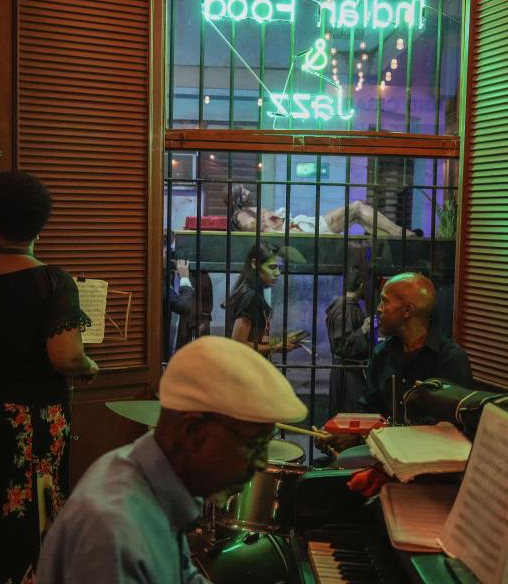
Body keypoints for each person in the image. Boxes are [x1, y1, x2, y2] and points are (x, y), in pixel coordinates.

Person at [36, 336, 307, 583]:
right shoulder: (112, 530)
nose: (260, 463)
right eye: (253, 446)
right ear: (192, 432)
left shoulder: (146, 480)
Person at [0, 171, 98, 584]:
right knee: (35, 512)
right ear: (41, 225)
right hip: (35, 415)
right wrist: (88, 367)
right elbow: (66, 357)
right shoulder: (52, 282)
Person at [318, 272, 472, 455]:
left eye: (384, 301)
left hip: (429, 465)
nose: (379, 308)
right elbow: (369, 410)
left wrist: (378, 432)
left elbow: (450, 429)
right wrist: (346, 432)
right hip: (384, 457)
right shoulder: (382, 353)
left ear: (407, 311)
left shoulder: (449, 359)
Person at [228, 183, 410, 237]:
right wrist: (271, 224)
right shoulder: (242, 215)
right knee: (357, 208)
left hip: (302, 225)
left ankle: (395, 237)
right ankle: (400, 234)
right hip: (303, 229)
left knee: (357, 218)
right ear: (237, 197)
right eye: (243, 191)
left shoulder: (248, 210)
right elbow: (256, 228)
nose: (248, 191)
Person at [225, 242, 305, 357]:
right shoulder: (250, 295)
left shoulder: (254, 291)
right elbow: (238, 343)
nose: (278, 273)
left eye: (279, 267)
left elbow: (254, 338)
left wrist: (280, 341)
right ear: (254, 264)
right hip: (245, 368)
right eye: (272, 267)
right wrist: (275, 348)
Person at [325, 270, 372, 413]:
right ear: (361, 285)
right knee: (351, 419)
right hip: (349, 374)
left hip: (344, 372)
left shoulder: (342, 306)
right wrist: (363, 330)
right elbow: (342, 347)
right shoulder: (347, 309)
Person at [163, 231, 194, 360]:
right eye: (166, 250)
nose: (170, 254)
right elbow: (183, 306)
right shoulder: (157, 282)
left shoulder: (165, 275)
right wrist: (185, 278)